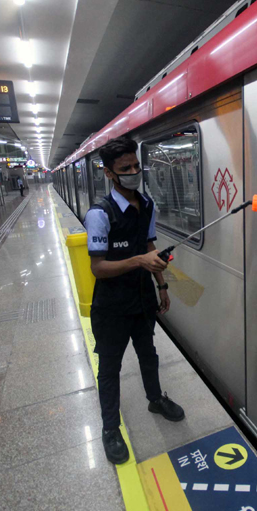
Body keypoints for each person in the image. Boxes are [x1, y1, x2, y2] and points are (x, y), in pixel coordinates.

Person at [83, 136, 184, 465]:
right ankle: (110, 428)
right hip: (111, 305)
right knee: (109, 367)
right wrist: (139, 261)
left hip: (142, 298)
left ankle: (155, 399)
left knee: (148, 354)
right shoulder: (100, 214)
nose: (133, 172)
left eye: (136, 166)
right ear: (109, 173)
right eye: (125, 168)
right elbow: (98, 268)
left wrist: (162, 285)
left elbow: (149, 246)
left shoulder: (148, 205)